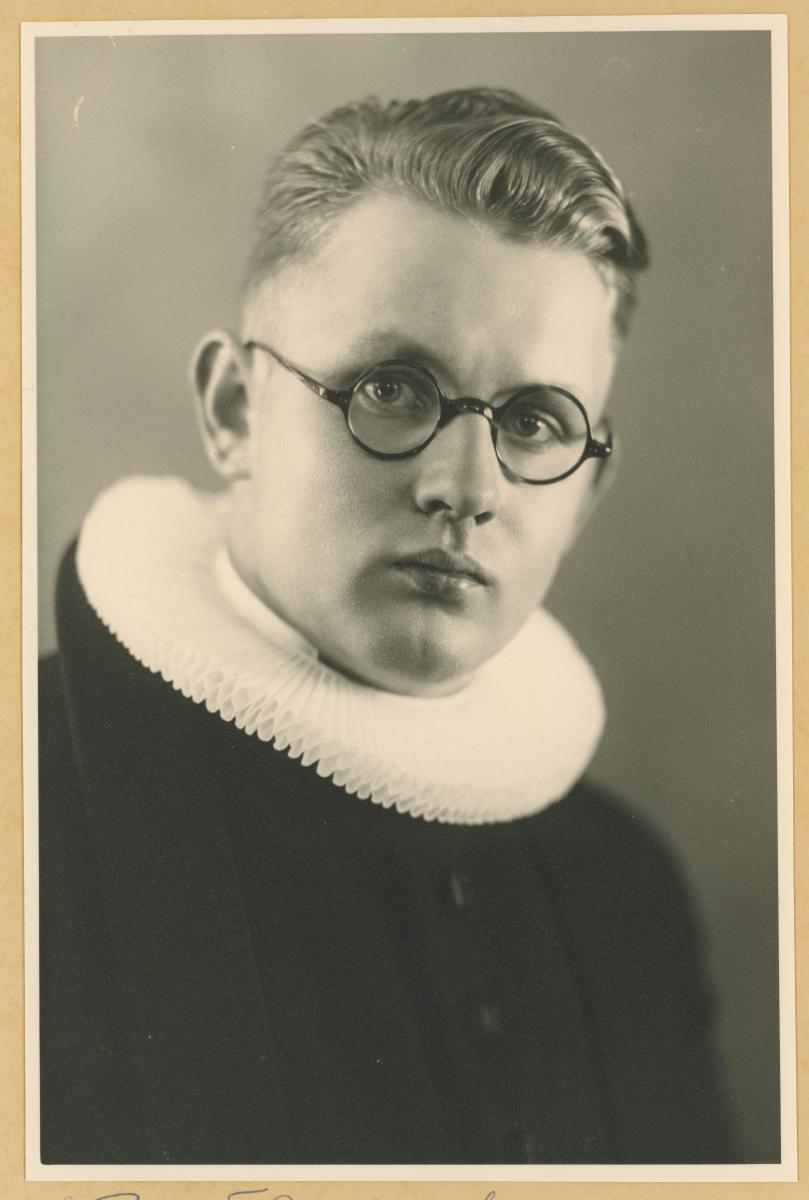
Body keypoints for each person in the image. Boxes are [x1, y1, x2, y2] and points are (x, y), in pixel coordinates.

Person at [38, 87, 735, 1165]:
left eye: (535, 423)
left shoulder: (624, 887)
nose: (465, 488)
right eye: (393, 389)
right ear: (232, 411)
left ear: (585, 495)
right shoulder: (31, 806)